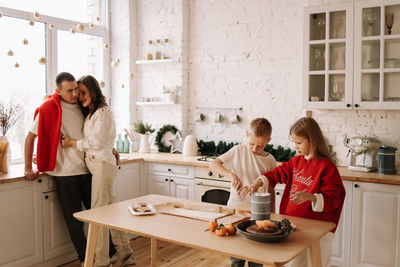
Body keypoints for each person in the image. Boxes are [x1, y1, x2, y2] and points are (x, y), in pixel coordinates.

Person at [24, 72, 117, 267]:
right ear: (58, 91)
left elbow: (94, 134)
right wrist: (27, 167)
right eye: (70, 90)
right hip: (65, 173)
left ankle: (110, 253)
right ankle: (86, 259)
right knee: (75, 220)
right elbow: (30, 138)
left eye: (76, 89)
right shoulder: (48, 108)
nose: (75, 94)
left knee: (99, 214)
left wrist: (110, 148)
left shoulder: (82, 107)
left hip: (88, 168)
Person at [242, 117, 346, 267]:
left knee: (314, 263)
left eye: (299, 143)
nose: (296, 147)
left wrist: (310, 197)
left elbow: (335, 198)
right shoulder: (296, 162)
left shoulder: (327, 167)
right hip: (293, 226)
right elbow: (276, 174)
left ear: (313, 140)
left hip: (317, 231)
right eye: (294, 143)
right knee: (293, 264)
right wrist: (257, 183)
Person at [61, 75, 135, 267]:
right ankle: (125, 252)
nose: (80, 96)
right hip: (100, 165)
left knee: (99, 214)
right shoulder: (93, 113)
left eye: (83, 92)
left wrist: (72, 143)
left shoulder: (102, 113)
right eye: (78, 92)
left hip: (102, 166)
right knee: (111, 211)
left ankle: (101, 261)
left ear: (94, 92)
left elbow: (96, 142)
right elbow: (102, 141)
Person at [210, 117, 277, 267]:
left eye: (259, 146)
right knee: (237, 256)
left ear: (268, 140)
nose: (254, 149)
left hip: (258, 214)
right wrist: (231, 175)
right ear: (247, 135)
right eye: (252, 144)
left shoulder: (270, 161)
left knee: (256, 255)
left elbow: (271, 189)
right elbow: (213, 164)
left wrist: (272, 213)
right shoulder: (238, 151)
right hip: (236, 210)